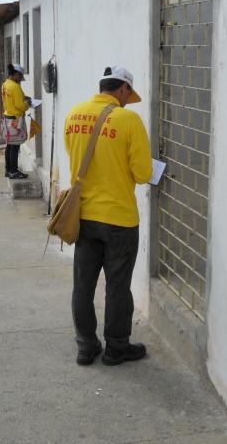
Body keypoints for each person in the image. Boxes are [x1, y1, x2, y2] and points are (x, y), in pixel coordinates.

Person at [64, 65, 153, 366]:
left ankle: (86, 347)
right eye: (129, 94)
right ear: (123, 88)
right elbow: (143, 174)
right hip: (119, 219)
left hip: (84, 217)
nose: (128, 100)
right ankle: (116, 348)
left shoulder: (74, 114)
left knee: (83, 285)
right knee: (117, 286)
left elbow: (75, 158)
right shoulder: (129, 120)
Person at [1, 63, 31, 179]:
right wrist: (27, 104)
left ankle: (8, 170)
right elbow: (20, 106)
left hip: (7, 118)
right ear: (17, 74)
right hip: (16, 120)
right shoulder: (15, 86)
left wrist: (24, 98)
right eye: (20, 77)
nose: (20, 80)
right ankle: (14, 171)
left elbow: (12, 99)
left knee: (9, 145)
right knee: (15, 146)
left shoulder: (5, 84)